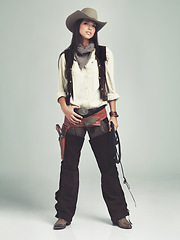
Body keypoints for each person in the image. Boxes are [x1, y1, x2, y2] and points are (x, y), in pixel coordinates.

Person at [54, 8, 132, 230]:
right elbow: (60, 90)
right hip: (74, 118)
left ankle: (119, 214)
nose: (90, 28)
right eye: (86, 24)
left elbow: (110, 87)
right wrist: (65, 109)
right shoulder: (65, 56)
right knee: (69, 167)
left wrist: (114, 115)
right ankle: (64, 215)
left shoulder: (104, 54)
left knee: (108, 166)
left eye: (93, 25)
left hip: (98, 116)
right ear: (77, 27)